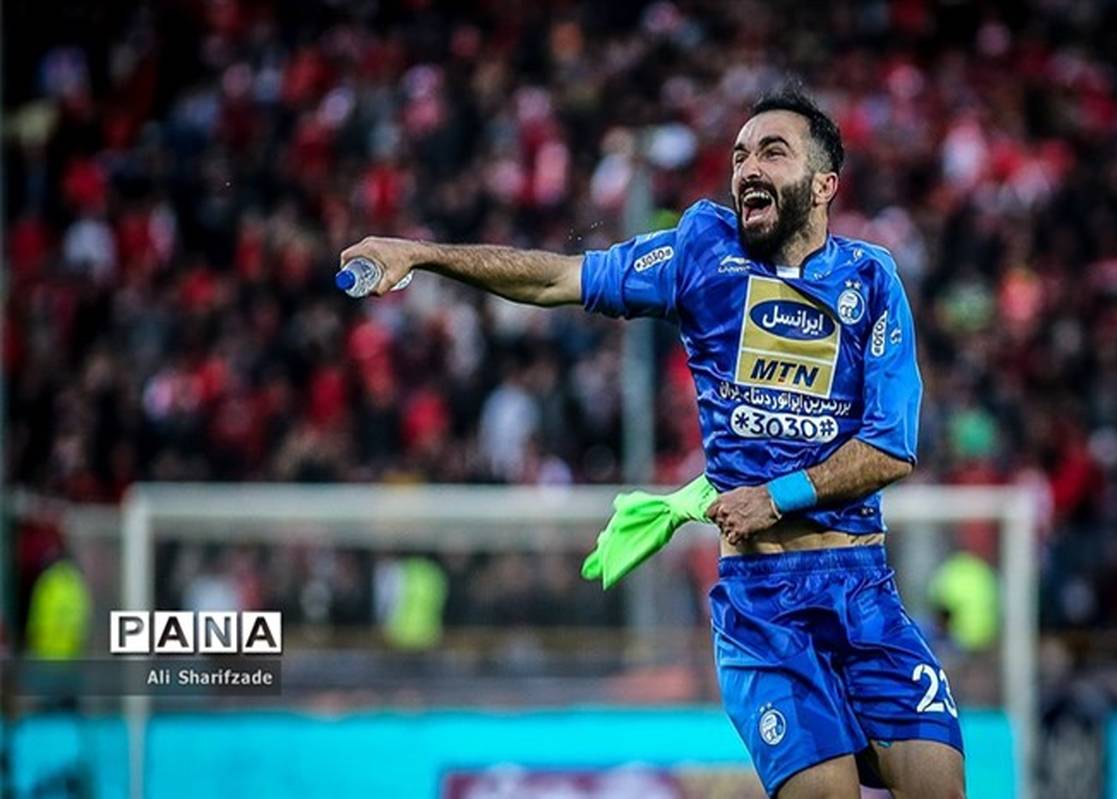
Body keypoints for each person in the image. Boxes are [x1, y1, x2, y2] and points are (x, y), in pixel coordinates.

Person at [339, 83, 965, 799]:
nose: (747, 168)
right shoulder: (703, 251)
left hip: (862, 588)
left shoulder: (871, 279)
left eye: (772, 152)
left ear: (824, 185)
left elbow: (889, 448)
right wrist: (421, 254)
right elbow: (556, 278)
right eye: (740, 155)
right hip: (765, 606)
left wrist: (775, 497)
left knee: (939, 788)